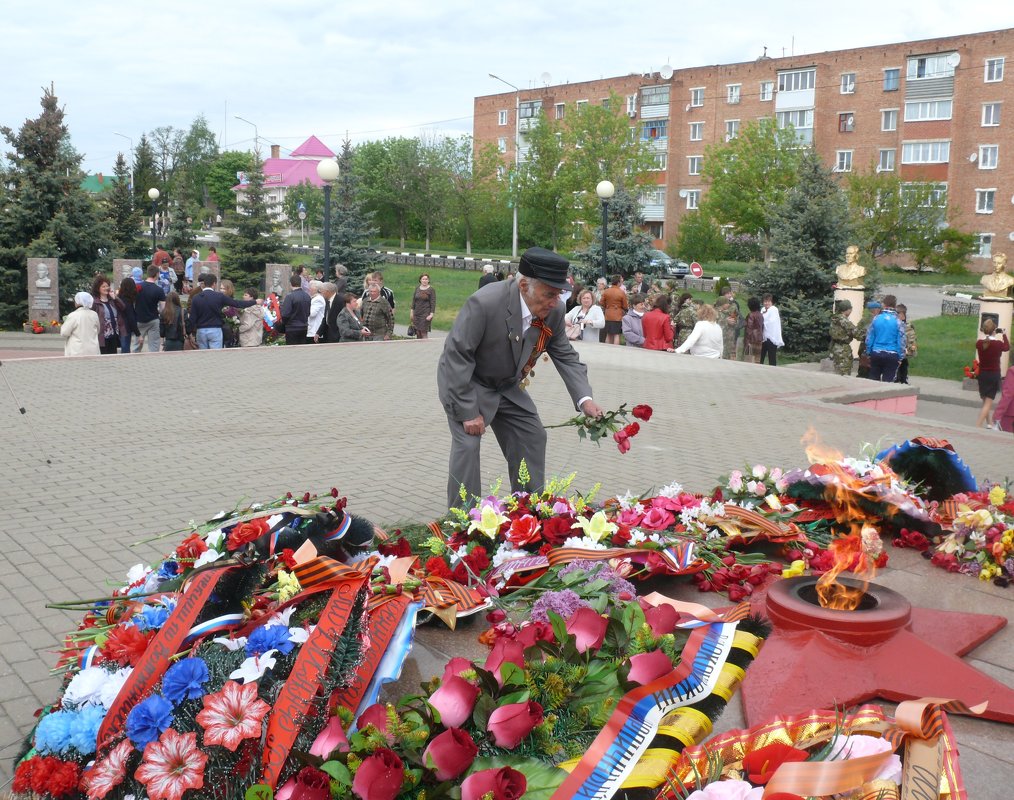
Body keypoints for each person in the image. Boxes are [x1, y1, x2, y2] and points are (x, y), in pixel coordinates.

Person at [437, 246, 604, 508]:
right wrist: (467, 411)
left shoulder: (555, 312)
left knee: (532, 436)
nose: (555, 301)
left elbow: (564, 354)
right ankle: (461, 521)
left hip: (507, 387)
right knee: (468, 446)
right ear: (524, 284)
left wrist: (585, 399)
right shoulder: (485, 303)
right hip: (471, 384)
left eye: (558, 294)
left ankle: (528, 511)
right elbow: (456, 356)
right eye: (549, 293)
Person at [188, 273, 256, 350]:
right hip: (215, 329)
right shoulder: (219, 296)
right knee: (216, 355)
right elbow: (237, 303)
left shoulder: (196, 298)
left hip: (201, 331)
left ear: (204, 283)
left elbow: (192, 317)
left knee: (203, 355)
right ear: (214, 284)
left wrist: (189, 333)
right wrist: (255, 302)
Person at [975, 319, 1010, 428]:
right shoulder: (998, 344)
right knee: (988, 402)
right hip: (993, 375)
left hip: (982, 375)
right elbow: (1007, 347)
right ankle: (977, 426)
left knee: (985, 400)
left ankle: (989, 423)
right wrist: (1004, 334)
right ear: (994, 330)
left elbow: (986, 343)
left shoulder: (979, 343)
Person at [865, 294, 904, 382]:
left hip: (876, 352)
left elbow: (869, 337)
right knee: (888, 382)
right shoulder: (898, 321)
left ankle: (873, 395)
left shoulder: (876, 318)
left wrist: (868, 352)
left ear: (884, 305)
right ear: (894, 306)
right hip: (892, 353)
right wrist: (900, 357)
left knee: (873, 380)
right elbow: (901, 341)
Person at [133, 265, 166, 353]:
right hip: (153, 320)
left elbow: (132, 302)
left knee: (137, 345)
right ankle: (153, 361)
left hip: (139, 319)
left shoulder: (137, 287)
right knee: (154, 345)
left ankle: (134, 359)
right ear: (157, 274)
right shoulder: (159, 290)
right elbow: (163, 308)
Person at [90, 274, 122, 355]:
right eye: (103, 286)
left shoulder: (112, 300)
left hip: (114, 335)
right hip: (102, 337)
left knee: (113, 357)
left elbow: (123, 307)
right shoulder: (95, 302)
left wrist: (115, 298)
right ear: (98, 288)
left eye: (107, 286)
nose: (106, 288)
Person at [61, 292, 99, 356]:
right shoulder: (94, 314)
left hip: (77, 350)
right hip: (93, 349)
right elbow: (98, 330)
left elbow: (64, 333)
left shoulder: (73, 315)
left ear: (78, 302)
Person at [829, 299, 859, 376]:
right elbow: (855, 332)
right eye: (850, 309)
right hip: (843, 349)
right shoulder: (844, 320)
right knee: (844, 372)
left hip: (836, 347)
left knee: (838, 371)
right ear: (847, 309)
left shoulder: (835, 318)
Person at [280, 274, 311, 345]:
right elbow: (308, 312)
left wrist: (284, 323)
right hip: (304, 327)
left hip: (292, 327)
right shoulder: (307, 296)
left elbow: (285, 314)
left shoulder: (290, 297)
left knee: (292, 351)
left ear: (291, 283)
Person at [599, 274, 628, 345]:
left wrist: (608, 306)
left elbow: (601, 302)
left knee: (608, 334)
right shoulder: (621, 292)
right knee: (616, 334)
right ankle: (616, 351)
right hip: (617, 316)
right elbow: (625, 305)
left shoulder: (606, 291)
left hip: (608, 314)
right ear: (618, 282)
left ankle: (607, 351)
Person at [716, 285, 743, 357]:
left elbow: (737, 319)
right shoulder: (717, 304)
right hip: (718, 333)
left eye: (729, 293)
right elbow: (713, 318)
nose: (729, 295)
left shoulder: (734, 305)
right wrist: (725, 321)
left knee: (726, 355)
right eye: (726, 294)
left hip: (729, 334)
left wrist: (734, 322)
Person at [116, 277, 140, 353]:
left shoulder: (119, 298)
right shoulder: (127, 301)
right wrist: (138, 333)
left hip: (118, 326)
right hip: (125, 328)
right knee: (125, 349)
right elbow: (131, 317)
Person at [895, 303, 917, 384]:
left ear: (902, 314)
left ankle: (902, 380)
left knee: (903, 364)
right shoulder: (901, 324)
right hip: (900, 350)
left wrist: (911, 348)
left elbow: (912, 338)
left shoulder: (907, 326)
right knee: (900, 365)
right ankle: (900, 379)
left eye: (897, 313)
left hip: (903, 350)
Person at [411, 274, 437, 340]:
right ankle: (419, 348)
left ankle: (425, 347)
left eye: (426, 279)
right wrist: (412, 312)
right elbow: (414, 301)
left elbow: (433, 302)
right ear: (420, 280)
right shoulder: (417, 288)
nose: (425, 280)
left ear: (428, 280)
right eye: (423, 279)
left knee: (423, 332)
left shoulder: (431, 290)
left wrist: (431, 314)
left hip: (425, 314)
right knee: (418, 332)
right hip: (417, 313)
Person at [760, 294, 783, 365]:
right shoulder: (763, 309)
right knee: (761, 356)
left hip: (772, 336)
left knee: (771, 356)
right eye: (765, 301)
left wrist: (762, 323)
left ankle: (773, 371)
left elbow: (771, 322)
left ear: (771, 302)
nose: (766, 303)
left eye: (768, 301)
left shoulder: (774, 309)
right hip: (764, 336)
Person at [743, 297, 764, 363]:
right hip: (759, 339)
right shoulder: (760, 315)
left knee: (749, 359)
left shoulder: (751, 315)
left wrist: (746, 342)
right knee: (757, 359)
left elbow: (749, 329)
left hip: (751, 340)